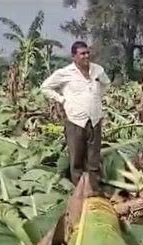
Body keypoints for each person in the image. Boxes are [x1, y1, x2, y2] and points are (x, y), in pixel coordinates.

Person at [40, 41, 110, 193]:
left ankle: (95, 191)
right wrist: (62, 100)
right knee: (77, 159)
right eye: (82, 53)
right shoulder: (65, 73)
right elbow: (45, 87)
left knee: (94, 159)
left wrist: (97, 97)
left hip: (95, 119)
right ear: (74, 56)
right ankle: (79, 192)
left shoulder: (97, 70)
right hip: (75, 121)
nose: (86, 56)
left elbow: (106, 83)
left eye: (87, 53)